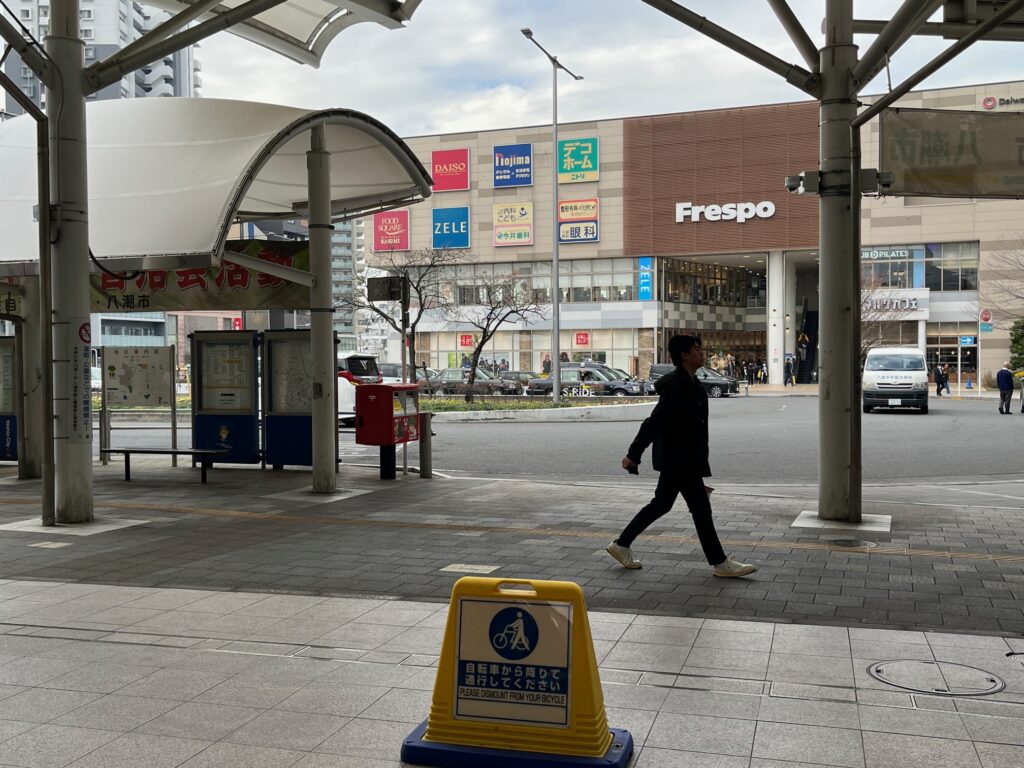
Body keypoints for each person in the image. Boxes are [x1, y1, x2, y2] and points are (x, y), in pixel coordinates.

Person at [607, 334, 757, 578]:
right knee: (700, 510)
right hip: (679, 459)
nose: (702, 353)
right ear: (684, 354)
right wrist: (633, 454)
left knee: (662, 504)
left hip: (683, 459)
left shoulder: (692, 383)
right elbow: (654, 422)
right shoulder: (677, 386)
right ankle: (720, 563)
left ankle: (621, 544)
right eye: (697, 349)